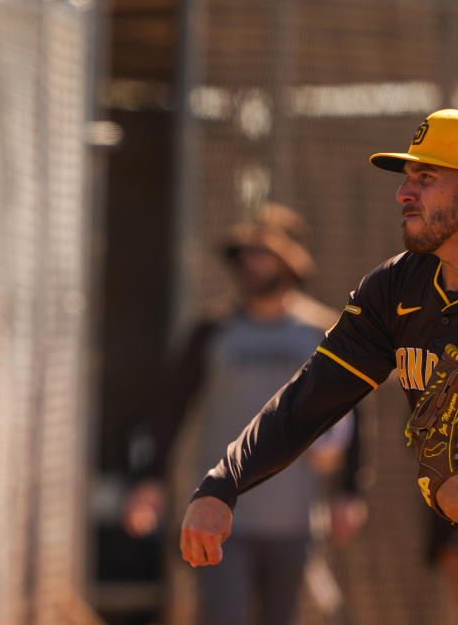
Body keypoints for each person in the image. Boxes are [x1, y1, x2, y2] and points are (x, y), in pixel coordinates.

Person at [179, 108, 458, 625]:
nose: (402, 193)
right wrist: (223, 483)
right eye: (406, 177)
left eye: (425, 178)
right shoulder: (396, 290)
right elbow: (311, 397)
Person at [124, 203, 364, 625]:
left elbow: (351, 413)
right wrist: (150, 479)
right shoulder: (212, 333)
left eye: (264, 253)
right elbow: (170, 410)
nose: (253, 264)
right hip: (219, 514)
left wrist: (350, 488)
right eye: (247, 254)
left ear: (291, 261)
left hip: (294, 517)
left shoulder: (321, 334)